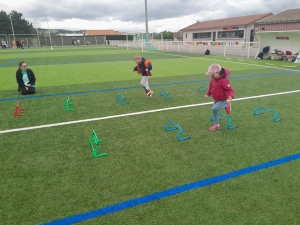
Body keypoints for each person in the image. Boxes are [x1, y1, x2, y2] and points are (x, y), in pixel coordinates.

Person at [205, 63, 234, 131]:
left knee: (214, 109)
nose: (211, 76)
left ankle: (226, 105)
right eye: (210, 75)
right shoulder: (212, 80)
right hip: (216, 99)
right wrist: (208, 94)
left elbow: (230, 89)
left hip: (223, 99)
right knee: (214, 111)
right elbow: (210, 88)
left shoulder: (224, 81)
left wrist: (231, 96)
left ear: (218, 72)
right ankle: (217, 125)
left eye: (213, 74)